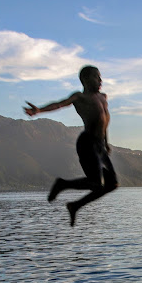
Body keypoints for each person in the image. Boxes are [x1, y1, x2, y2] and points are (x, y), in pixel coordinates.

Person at [24, 66, 118, 227]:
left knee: (112, 184)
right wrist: (39, 110)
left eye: (101, 77)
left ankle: (75, 205)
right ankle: (62, 184)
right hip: (87, 143)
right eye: (97, 77)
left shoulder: (103, 97)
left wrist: (106, 142)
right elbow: (59, 104)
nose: (101, 81)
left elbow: (105, 120)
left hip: (100, 145)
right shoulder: (80, 97)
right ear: (85, 80)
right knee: (96, 183)